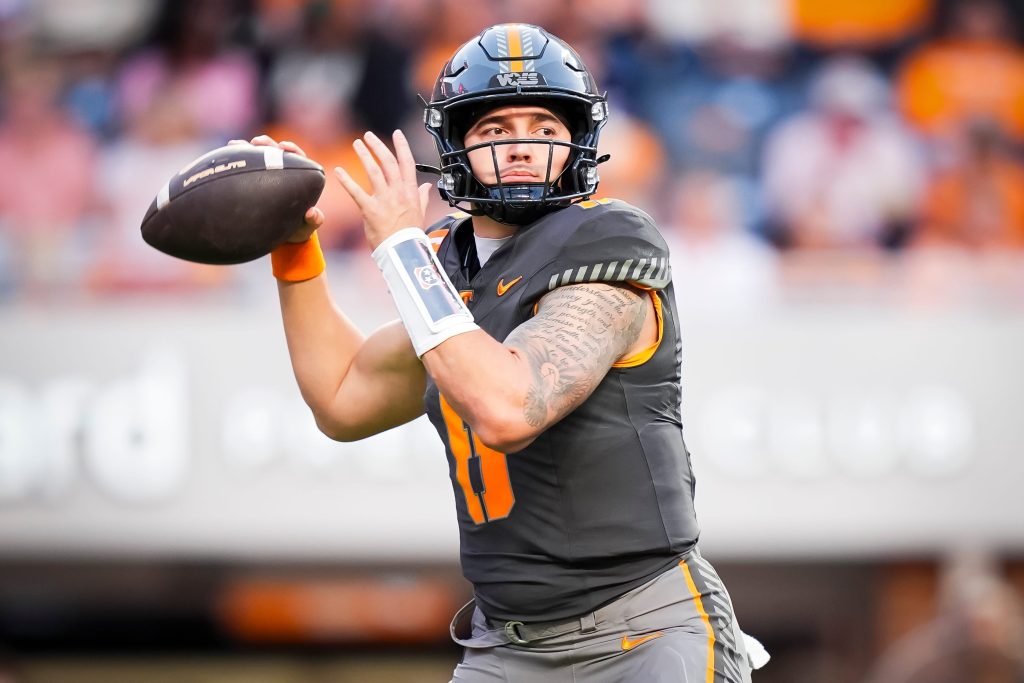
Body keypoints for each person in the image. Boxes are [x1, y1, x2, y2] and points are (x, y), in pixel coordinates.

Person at [246, 23, 762, 682]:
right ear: (455, 144)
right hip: (508, 647)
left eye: (544, 127)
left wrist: (402, 250)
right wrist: (295, 249)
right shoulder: (450, 262)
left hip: (645, 635)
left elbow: (510, 408)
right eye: (495, 129)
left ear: (576, 142)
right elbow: (343, 399)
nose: (521, 145)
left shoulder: (609, 239)